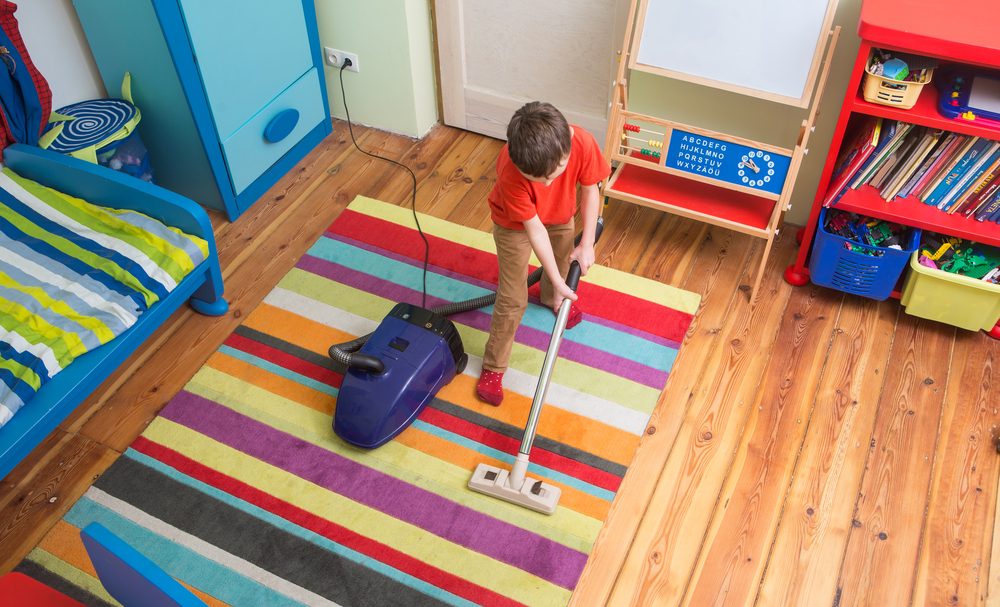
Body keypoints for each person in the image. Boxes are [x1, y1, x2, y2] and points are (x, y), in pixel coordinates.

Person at [477, 101, 611, 406]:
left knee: (565, 262)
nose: (549, 184)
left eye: (556, 173)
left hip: (562, 216)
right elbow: (534, 229)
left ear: (567, 147)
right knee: (512, 297)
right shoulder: (510, 171)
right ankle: (493, 366)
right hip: (514, 224)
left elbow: (591, 189)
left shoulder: (583, 142)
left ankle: (553, 296)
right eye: (540, 180)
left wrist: (587, 242)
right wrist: (555, 276)